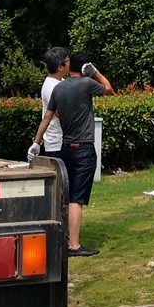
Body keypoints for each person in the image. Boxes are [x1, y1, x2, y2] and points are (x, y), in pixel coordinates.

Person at [30, 51, 113, 257]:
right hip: (84, 148)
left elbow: (47, 118)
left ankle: (64, 239)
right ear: (85, 68)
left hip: (66, 147)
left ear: (70, 67)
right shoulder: (87, 83)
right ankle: (74, 245)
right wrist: (95, 72)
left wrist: (36, 143)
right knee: (77, 199)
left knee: (66, 196)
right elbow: (109, 90)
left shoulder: (59, 88)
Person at [37, 46, 69, 155]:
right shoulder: (51, 87)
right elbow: (59, 113)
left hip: (63, 140)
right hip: (56, 143)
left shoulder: (61, 82)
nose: (71, 63)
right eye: (68, 60)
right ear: (60, 67)